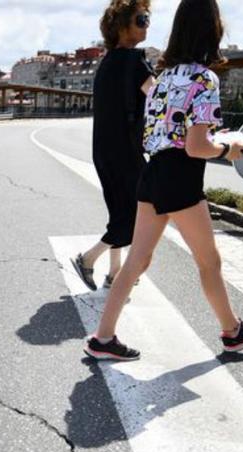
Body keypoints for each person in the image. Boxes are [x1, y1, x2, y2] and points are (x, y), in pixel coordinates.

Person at [85, 0, 243, 361]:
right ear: (213, 31)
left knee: (137, 261)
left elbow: (155, 136)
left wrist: (208, 144)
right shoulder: (204, 78)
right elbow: (196, 145)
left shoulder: (165, 77)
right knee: (209, 262)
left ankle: (103, 338)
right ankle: (233, 332)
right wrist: (227, 149)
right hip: (180, 179)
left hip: (152, 173)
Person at [70, 0, 155, 293]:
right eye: (142, 19)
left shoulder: (106, 63)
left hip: (104, 151)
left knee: (120, 210)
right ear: (121, 26)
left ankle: (114, 272)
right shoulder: (135, 62)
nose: (147, 24)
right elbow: (158, 100)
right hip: (126, 151)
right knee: (136, 214)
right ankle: (88, 259)